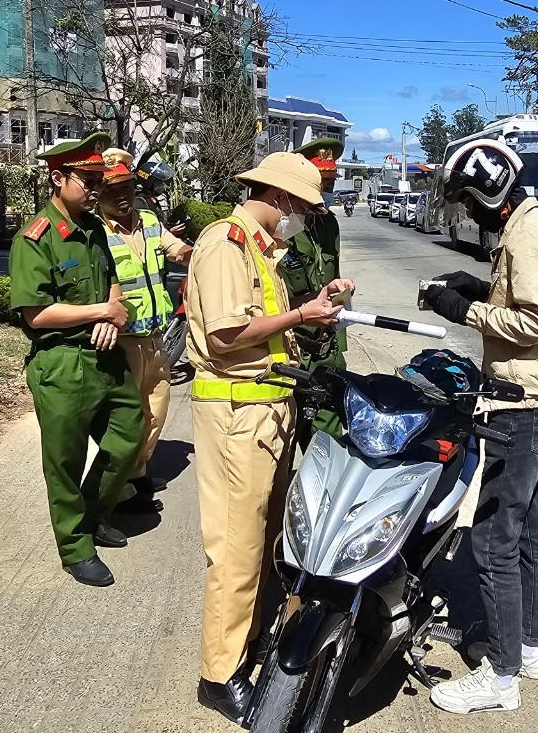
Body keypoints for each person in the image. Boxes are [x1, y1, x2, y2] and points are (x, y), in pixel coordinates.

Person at [185, 151, 354, 724]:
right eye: (304, 208)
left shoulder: (261, 251)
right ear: (280, 199)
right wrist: (301, 317)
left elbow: (268, 334)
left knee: (264, 544)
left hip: (264, 412)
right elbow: (228, 333)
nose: (305, 218)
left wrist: (314, 310)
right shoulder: (225, 244)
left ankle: (248, 641)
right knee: (235, 550)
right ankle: (219, 673)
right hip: (238, 416)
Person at [421, 141, 538, 715]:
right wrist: (476, 286)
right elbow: (525, 300)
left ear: (489, 192)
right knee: (532, 530)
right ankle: (532, 647)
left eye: (467, 198)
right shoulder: (531, 227)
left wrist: (459, 309)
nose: (466, 210)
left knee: (493, 539)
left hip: (520, 406)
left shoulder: (525, 237)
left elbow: (534, 324)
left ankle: (501, 676)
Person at [8, 132, 145, 588]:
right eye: (86, 180)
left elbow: (111, 281)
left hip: (106, 356)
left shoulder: (93, 229)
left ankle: (94, 511)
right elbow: (38, 313)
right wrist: (101, 312)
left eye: (97, 180)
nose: (95, 189)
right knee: (64, 460)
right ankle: (74, 546)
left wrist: (113, 307)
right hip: (61, 362)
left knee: (129, 436)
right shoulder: (35, 239)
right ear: (57, 176)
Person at [97, 148, 191, 513]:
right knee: (127, 418)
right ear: (98, 194)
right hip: (123, 342)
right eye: (110, 190)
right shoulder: (97, 233)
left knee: (156, 409)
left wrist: (202, 251)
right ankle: (116, 490)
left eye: (125, 187)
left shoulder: (150, 221)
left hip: (155, 336)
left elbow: (178, 250)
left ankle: (136, 473)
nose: (121, 196)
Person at [278, 137, 349, 447]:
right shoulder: (282, 229)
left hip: (327, 348)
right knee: (280, 437)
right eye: (322, 183)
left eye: (331, 182)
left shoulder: (329, 224)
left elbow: (331, 276)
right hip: (291, 348)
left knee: (329, 434)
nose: (327, 191)